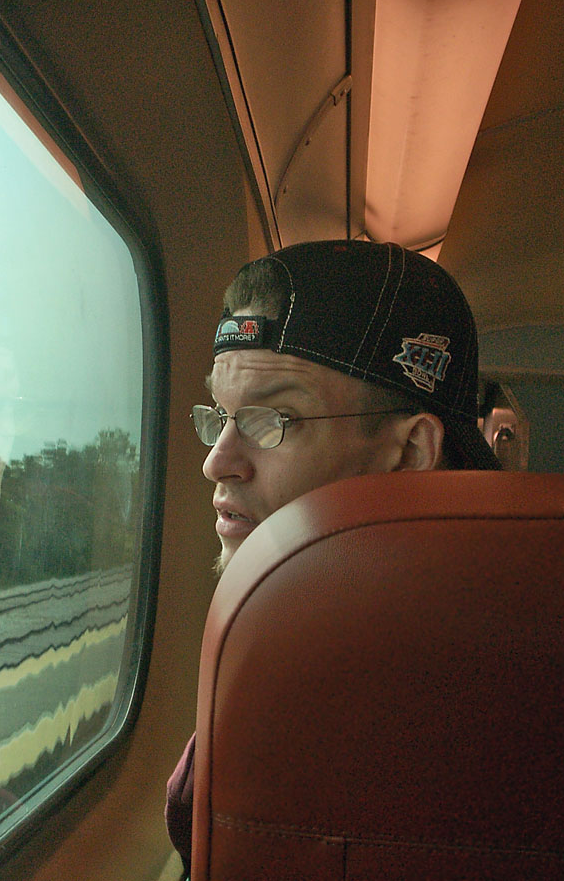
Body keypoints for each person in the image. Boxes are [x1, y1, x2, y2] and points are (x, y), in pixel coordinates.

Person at [166, 238, 501, 870]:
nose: (217, 461)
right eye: (219, 417)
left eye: (273, 421)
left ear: (408, 453)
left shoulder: (333, 683)